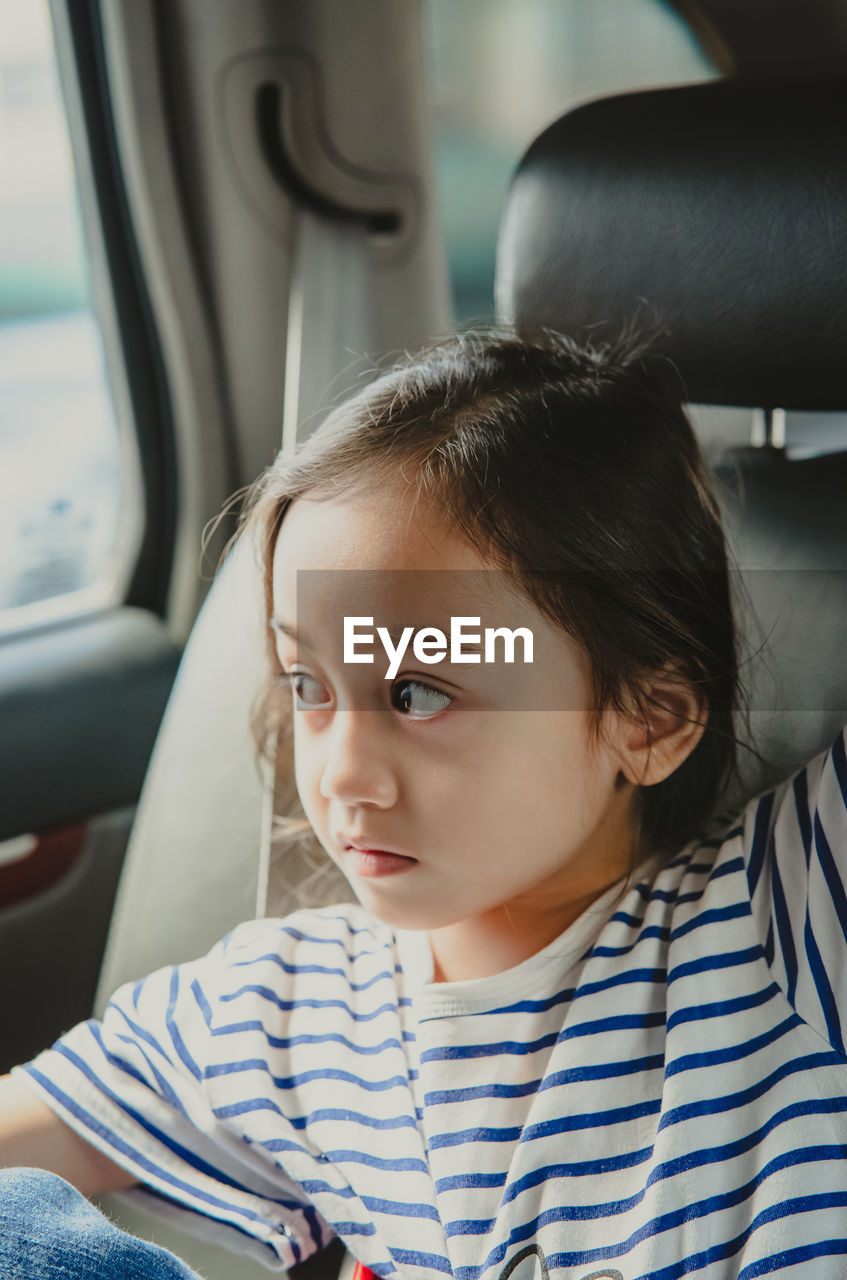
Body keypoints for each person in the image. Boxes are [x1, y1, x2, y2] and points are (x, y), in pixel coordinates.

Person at [1, 331, 846, 1280]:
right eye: (308, 685)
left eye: (419, 694)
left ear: (646, 720)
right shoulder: (285, 1010)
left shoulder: (780, 923)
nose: (340, 775)